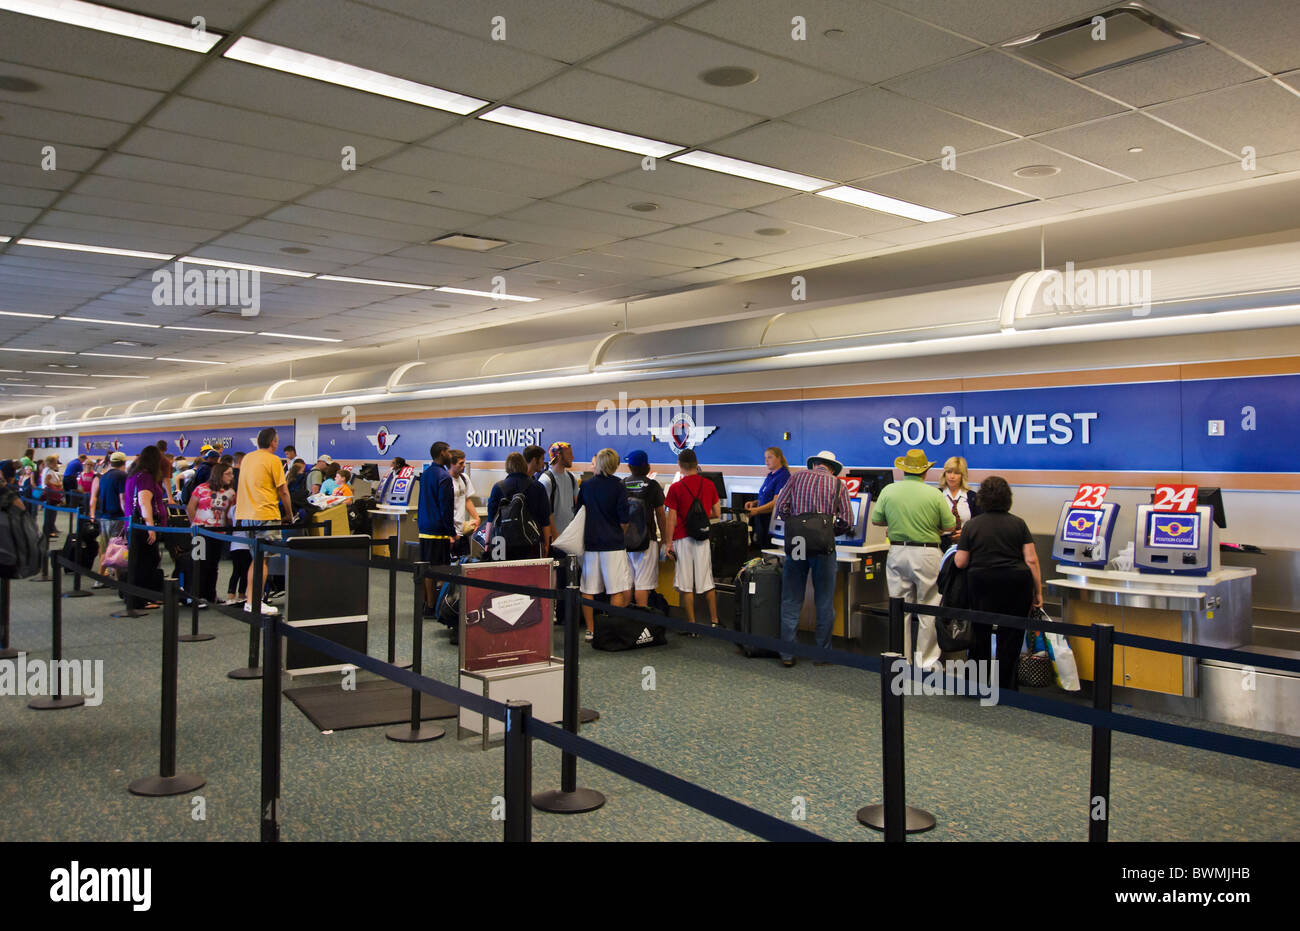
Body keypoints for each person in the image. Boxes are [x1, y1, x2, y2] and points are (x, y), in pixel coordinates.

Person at [954, 476, 1042, 692]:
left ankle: (977, 684)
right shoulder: (1018, 523)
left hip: (981, 584)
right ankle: (1006, 687)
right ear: (1007, 498)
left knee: (980, 633)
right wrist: (1037, 592)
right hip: (1016, 584)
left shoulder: (972, 525)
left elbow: (960, 561)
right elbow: (1031, 559)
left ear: (982, 498)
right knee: (1010, 636)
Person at [871, 448, 955, 670]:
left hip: (897, 552)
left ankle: (900, 658)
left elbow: (877, 521)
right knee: (929, 607)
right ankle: (925, 661)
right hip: (927, 553)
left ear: (903, 470)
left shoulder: (889, 491)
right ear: (925, 472)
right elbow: (950, 526)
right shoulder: (935, 494)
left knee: (899, 607)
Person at [772, 449, 852, 667]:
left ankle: (788, 653)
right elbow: (847, 520)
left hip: (798, 544)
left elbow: (780, 507)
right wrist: (828, 532)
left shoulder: (796, 477)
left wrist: (796, 524)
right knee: (824, 600)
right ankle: (822, 654)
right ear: (833, 468)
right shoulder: (838, 485)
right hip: (823, 547)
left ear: (814, 463)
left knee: (792, 597)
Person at [231, 428, 290, 616]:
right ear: (273, 442)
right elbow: (283, 491)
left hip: (246, 515)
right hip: (265, 513)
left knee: (255, 559)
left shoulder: (248, 457)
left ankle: (251, 600)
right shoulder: (273, 460)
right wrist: (289, 514)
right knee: (262, 560)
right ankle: (254, 601)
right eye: (277, 440)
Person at [576, 448, 631, 642]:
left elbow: (579, 513)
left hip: (591, 543)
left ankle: (590, 630)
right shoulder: (619, 486)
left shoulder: (586, 485)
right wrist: (618, 533)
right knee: (615, 589)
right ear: (615, 465)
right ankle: (612, 629)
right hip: (613, 544)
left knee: (588, 589)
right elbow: (624, 519)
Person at [663, 448, 721, 630]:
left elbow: (671, 518)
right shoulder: (709, 485)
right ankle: (714, 621)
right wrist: (700, 518)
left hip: (682, 538)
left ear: (680, 466)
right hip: (702, 537)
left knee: (686, 583)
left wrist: (668, 543)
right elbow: (716, 513)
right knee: (707, 580)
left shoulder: (675, 488)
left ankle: (692, 624)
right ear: (697, 464)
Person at [187, 462, 236, 609]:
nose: (231, 476)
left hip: (218, 532)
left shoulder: (230, 493)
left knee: (213, 565)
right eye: (228, 473)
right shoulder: (201, 488)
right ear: (219, 474)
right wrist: (194, 524)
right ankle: (195, 596)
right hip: (200, 531)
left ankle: (210, 595)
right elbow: (190, 507)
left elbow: (229, 514)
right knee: (199, 563)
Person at [124, 445, 168, 611]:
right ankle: (141, 599)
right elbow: (144, 502)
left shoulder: (133, 474)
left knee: (140, 562)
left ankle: (138, 597)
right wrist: (151, 527)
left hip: (133, 525)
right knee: (146, 562)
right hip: (143, 527)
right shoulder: (146, 477)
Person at [485, 452, 551, 559]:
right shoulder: (538, 487)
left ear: (507, 467)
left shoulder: (498, 487)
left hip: (502, 543)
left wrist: (487, 543)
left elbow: (491, 519)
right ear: (524, 465)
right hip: (531, 542)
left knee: (503, 574)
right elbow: (545, 520)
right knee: (531, 574)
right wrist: (546, 544)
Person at [623, 450, 666, 608]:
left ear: (630, 466)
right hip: (647, 539)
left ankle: (624, 621)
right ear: (647, 466)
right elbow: (661, 514)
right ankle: (641, 625)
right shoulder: (653, 486)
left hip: (626, 541)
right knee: (643, 585)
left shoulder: (622, 484)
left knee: (626, 584)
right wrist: (665, 539)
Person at [417, 442, 455, 618]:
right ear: (441, 453)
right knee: (440, 569)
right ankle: (435, 606)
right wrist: (452, 531)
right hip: (438, 530)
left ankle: (427, 603)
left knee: (426, 568)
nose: (450, 454)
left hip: (424, 527)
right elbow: (445, 508)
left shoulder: (425, 475)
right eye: (448, 451)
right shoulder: (444, 477)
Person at [90, 451, 128, 585]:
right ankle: (99, 578)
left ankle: (116, 578)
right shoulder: (122, 475)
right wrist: (127, 515)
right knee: (116, 547)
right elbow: (122, 498)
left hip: (104, 516)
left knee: (106, 548)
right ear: (124, 462)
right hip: (117, 517)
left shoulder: (104, 476)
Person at [744, 446, 791, 548]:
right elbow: (767, 496)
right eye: (765, 458)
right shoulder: (770, 475)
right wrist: (755, 503)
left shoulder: (783, 476)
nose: (766, 460)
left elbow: (776, 502)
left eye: (770, 457)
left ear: (779, 458)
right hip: (762, 518)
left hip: (772, 520)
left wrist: (757, 510)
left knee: (769, 549)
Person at [537, 441, 578, 541]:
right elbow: (544, 512)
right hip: (554, 539)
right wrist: (555, 536)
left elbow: (577, 505)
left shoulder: (572, 478)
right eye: (569, 454)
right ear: (559, 456)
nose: (572, 457)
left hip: (570, 537)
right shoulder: (546, 480)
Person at [940, 456, 979, 549]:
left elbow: (980, 524)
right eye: (949, 472)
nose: (952, 476)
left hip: (966, 544)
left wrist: (967, 533)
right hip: (940, 544)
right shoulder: (936, 495)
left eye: (956, 473)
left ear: (963, 475)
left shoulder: (973, 497)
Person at [448, 450, 480, 557]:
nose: (463, 466)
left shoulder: (464, 478)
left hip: (462, 530)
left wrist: (476, 518)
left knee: (463, 564)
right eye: (460, 463)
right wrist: (448, 534)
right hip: (450, 531)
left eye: (464, 463)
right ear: (451, 464)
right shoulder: (445, 480)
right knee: (447, 568)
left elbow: (467, 500)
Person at [40, 454, 63, 539]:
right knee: (50, 514)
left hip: (50, 494)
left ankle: (50, 529)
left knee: (50, 513)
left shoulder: (47, 470)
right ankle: (49, 531)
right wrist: (57, 484)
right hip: (51, 495)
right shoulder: (49, 471)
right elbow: (47, 482)